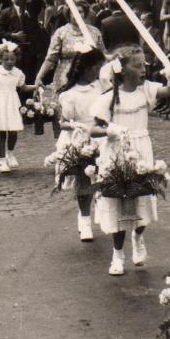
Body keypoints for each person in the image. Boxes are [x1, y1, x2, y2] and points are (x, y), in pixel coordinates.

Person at [89, 45, 170, 275]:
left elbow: (169, 92)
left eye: (144, 65)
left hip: (141, 150)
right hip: (117, 151)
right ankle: (118, 253)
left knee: (142, 197)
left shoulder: (146, 90)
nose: (143, 70)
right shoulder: (110, 97)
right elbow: (94, 129)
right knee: (117, 200)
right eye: (137, 66)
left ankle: (138, 238)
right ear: (122, 70)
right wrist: (111, 130)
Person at [54, 48, 106, 242]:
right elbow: (63, 122)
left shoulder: (100, 87)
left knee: (101, 177)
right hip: (80, 139)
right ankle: (84, 219)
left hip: (100, 136)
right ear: (85, 69)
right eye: (96, 68)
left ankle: (101, 208)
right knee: (84, 181)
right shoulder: (69, 94)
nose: (99, 73)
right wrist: (77, 126)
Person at [34, 12, 104, 93]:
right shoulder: (61, 32)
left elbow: (102, 55)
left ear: (85, 13)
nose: (76, 14)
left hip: (90, 77)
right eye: (73, 12)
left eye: (80, 11)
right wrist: (39, 77)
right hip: (65, 78)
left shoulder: (95, 32)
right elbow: (51, 58)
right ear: (69, 14)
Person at [0, 40, 27, 173]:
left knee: (14, 131)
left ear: (16, 59)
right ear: (0, 59)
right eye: (6, 59)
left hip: (12, 102)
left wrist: (37, 86)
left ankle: (10, 153)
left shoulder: (18, 73)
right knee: (2, 132)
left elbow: (23, 87)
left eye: (12, 59)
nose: (9, 62)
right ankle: (2, 160)